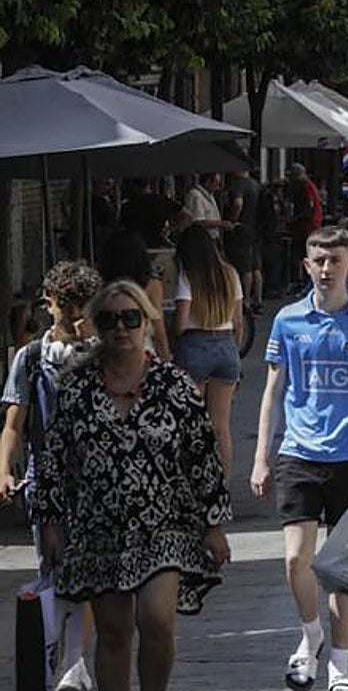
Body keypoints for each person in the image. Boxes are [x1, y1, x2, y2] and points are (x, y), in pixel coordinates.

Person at [32, 280, 231, 691]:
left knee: (156, 620)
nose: (120, 327)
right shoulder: (78, 388)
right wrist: (49, 521)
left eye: (130, 318)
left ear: (146, 321)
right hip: (99, 527)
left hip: (164, 523)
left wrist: (214, 525)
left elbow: (202, 454)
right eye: (109, 319)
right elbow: (52, 457)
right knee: (114, 630)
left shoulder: (174, 385)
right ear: (97, 327)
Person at [250, 226, 348, 691]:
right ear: (306, 264)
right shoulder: (289, 321)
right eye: (319, 260)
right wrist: (260, 458)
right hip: (298, 452)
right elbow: (273, 391)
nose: (326, 269)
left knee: (344, 567)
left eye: (335, 260)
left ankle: (341, 666)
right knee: (297, 558)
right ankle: (312, 635)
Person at [0, 261, 103, 691]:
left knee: (90, 575)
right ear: (49, 307)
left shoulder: (106, 352)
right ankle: (63, 661)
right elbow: (13, 423)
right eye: (67, 311)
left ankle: (76, 665)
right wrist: (4, 470)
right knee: (56, 571)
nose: (76, 321)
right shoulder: (32, 357)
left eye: (84, 310)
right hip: (48, 487)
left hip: (100, 484)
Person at [174, 224, 244, 478]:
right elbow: (239, 324)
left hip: (195, 347)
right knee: (221, 427)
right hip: (226, 347)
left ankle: (193, 482)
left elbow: (181, 324)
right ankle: (222, 486)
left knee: (191, 424)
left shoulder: (187, 276)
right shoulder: (231, 274)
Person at [99, 229, 172, 359]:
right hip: (142, 348)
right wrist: (166, 359)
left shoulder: (102, 286)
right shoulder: (151, 285)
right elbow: (158, 329)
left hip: (107, 347)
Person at [225, 168, 264, 314]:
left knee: (245, 267)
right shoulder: (256, 184)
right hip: (256, 229)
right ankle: (258, 299)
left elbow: (238, 203)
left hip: (242, 229)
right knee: (256, 267)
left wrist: (232, 220)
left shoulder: (238, 184)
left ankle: (246, 300)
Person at [119, 178, 191, 249]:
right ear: (149, 185)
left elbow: (123, 228)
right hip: (158, 245)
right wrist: (171, 229)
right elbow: (187, 215)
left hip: (136, 247)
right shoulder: (162, 200)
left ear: (135, 187)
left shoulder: (128, 206)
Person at [287, 163, 324, 288]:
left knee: (301, 254)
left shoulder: (305, 187)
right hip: (311, 225)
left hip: (306, 227)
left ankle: (302, 281)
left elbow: (308, 206)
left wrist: (294, 220)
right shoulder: (310, 186)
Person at [184, 173, 232, 241]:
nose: (218, 188)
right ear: (208, 182)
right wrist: (221, 224)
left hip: (211, 238)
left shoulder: (210, 195)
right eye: (216, 184)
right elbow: (198, 222)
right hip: (201, 239)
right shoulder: (196, 195)